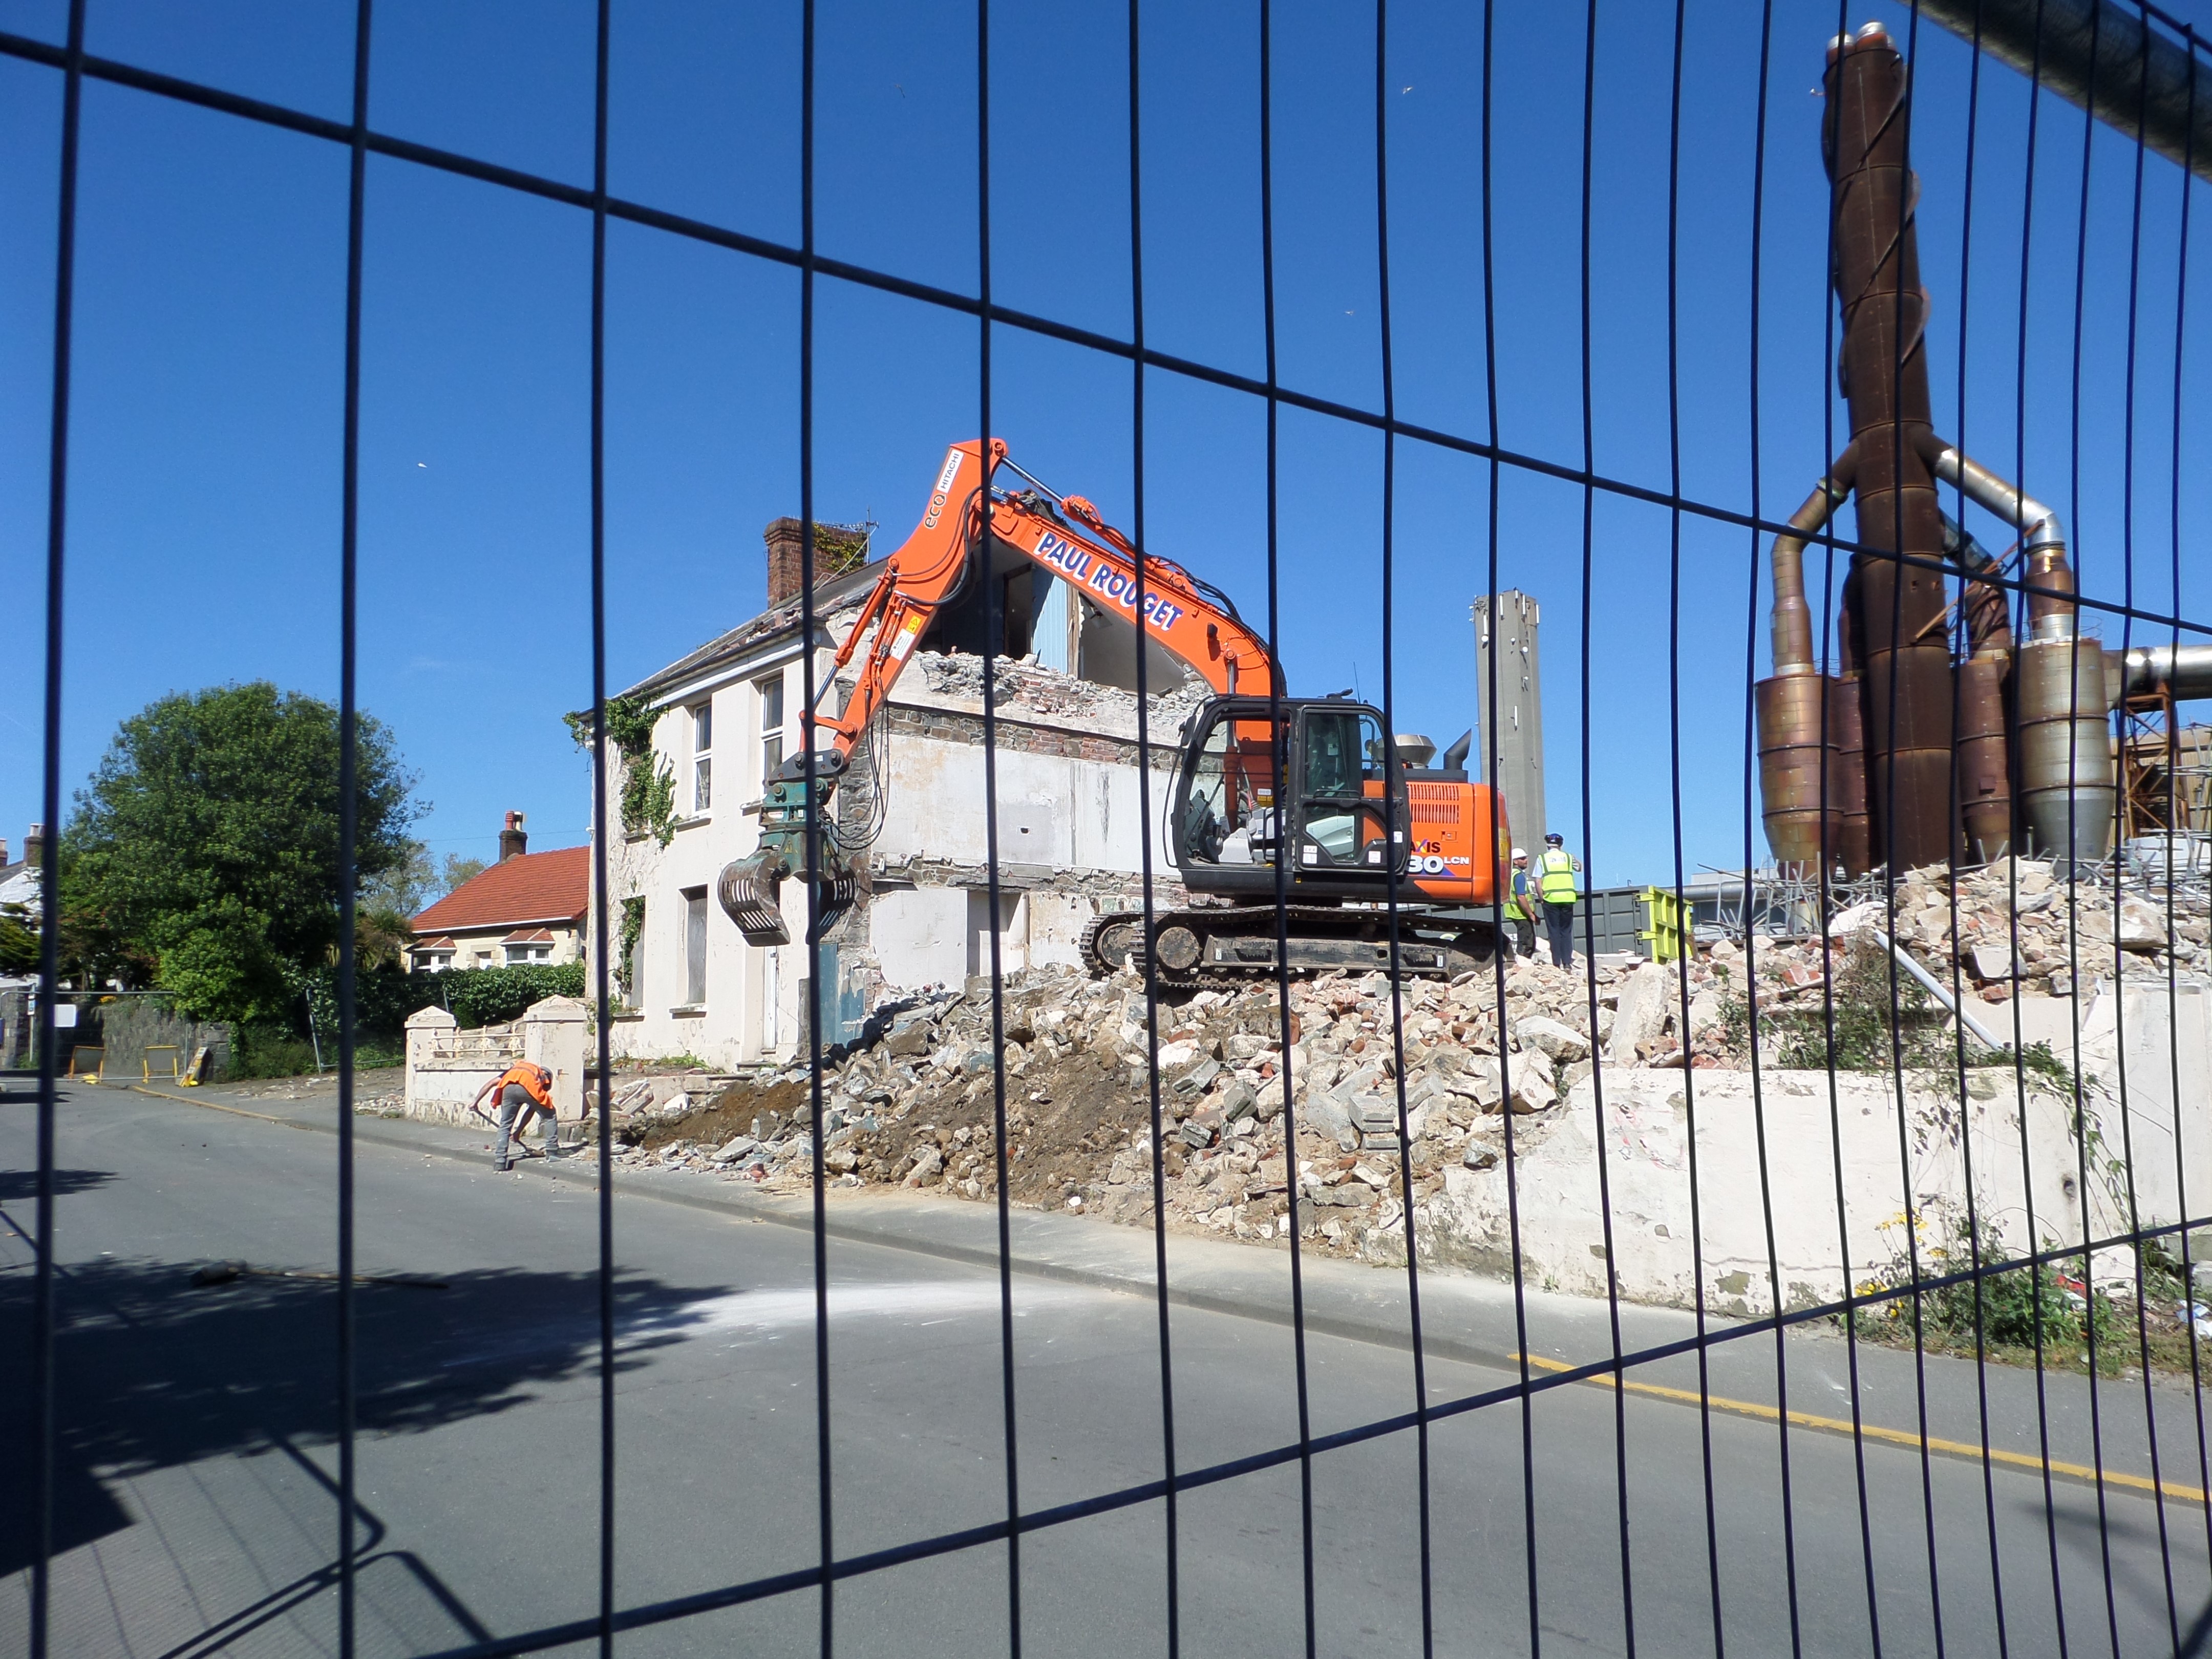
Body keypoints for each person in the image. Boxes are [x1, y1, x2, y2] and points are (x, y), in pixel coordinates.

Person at [473, 1059, 563, 1172]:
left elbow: (490, 1084)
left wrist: (475, 1102)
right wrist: (519, 1131)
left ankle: (500, 1161)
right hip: (528, 1087)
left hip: (509, 1089)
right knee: (550, 1115)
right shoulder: (541, 1075)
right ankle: (552, 1151)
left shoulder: (515, 1070)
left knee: (505, 1125)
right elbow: (533, 1109)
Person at [1535, 831, 1583, 969]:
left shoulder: (1542, 859)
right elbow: (1579, 868)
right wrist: (1574, 858)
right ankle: (1567, 963)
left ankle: (1557, 963)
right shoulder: (1568, 858)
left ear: (1548, 844)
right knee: (1566, 932)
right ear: (1561, 844)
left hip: (1551, 899)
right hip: (1567, 898)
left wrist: (1541, 898)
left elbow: (1538, 881)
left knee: (1554, 931)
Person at [1504, 847, 1537, 961]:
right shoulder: (1518, 876)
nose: (1526, 860)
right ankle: (1521, 964)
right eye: (1522, 859)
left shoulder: (1509, 874)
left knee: (1527, 941)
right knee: (1527, 943)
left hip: (1515, 912)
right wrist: (1531, 915)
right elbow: (1521, 897)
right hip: (1521, 914)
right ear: (1515, 861)